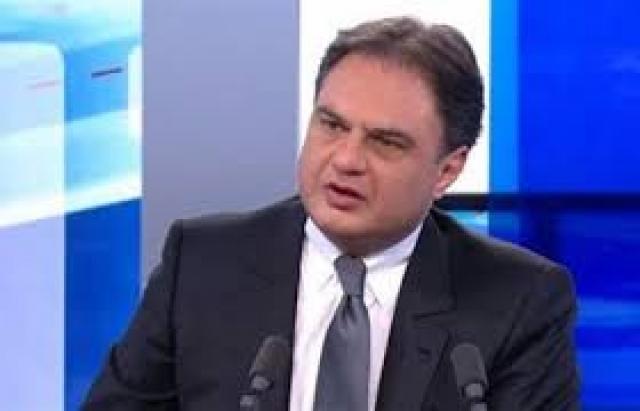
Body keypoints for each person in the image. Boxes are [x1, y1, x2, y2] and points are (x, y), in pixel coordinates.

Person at [83, 16, 579, 411]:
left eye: (385, 142)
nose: (346, 159)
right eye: (332, 125)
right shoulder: (203, 265)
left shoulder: (518, 301)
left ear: (447, 170)